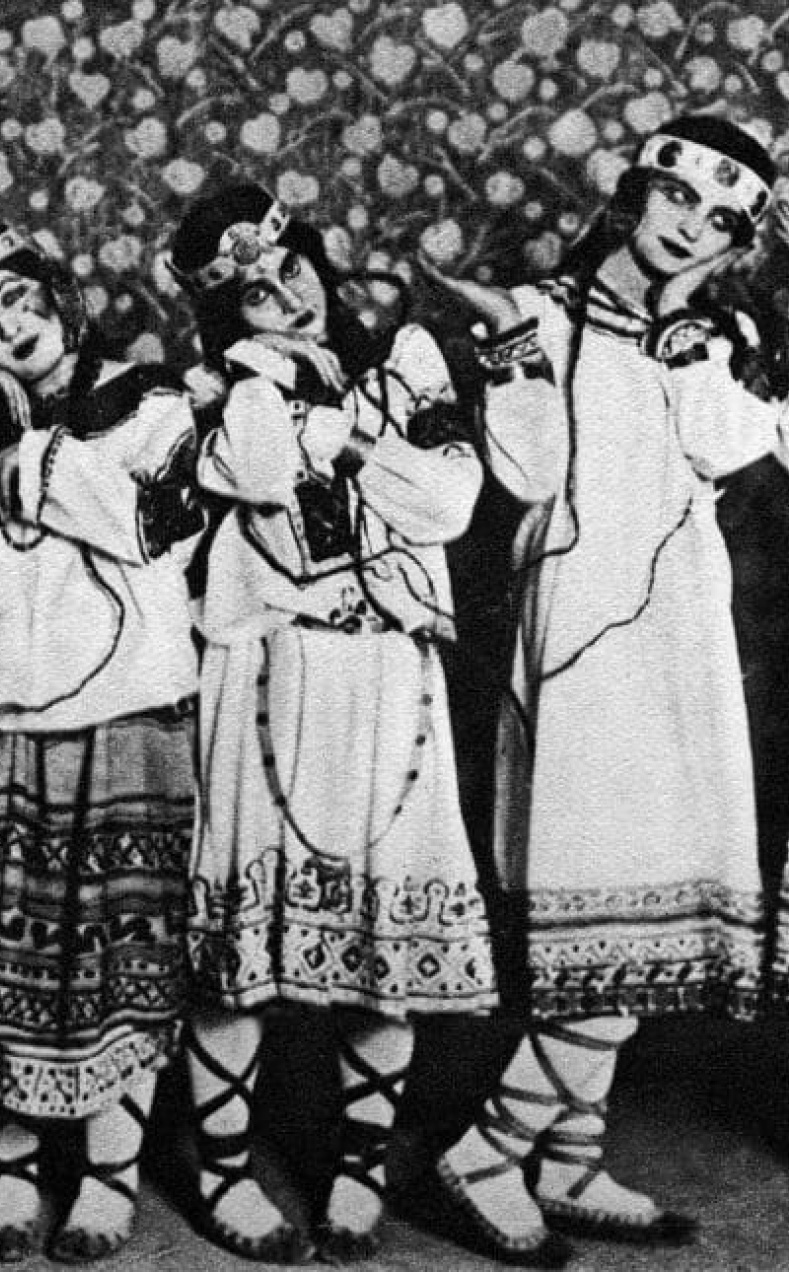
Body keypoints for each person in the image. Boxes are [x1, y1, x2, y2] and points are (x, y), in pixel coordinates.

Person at [415, 115, 789, 1267]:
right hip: (578, 630)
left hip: (681, 624)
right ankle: (487, 1146)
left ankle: (568, 1152)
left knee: (660, 885)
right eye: (681, 200)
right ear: (635, 191)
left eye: (726, 222)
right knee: (609, 882)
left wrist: (698, 346)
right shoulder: (540, 312)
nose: (693, 229)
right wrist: (518, 354)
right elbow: (522, 476)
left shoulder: (715, 332)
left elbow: (733, 452)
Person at [167, 184, 498, 1263]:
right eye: (253, 296)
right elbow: (257, 473)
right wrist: (268, 383)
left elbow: (449, 504)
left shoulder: (405, 361)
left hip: (391, 671)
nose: (283, 298)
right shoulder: (217, 392)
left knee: (384, 940)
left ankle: (358, 1168)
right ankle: (221, 1168)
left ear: (318, 256)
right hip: (269, 667)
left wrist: (342, 434)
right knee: (241, 952)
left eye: (290, 268)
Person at [0, 223, 202, 1263]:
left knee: (122, 952)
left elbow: (147, 521)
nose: (8, 328)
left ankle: (110, 1177)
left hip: (124, 712)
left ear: (64, 300)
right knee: (1, 946)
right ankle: (13, 1169)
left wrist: (19, 452)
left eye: (21, 301)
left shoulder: (149, 399)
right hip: (0, 713)